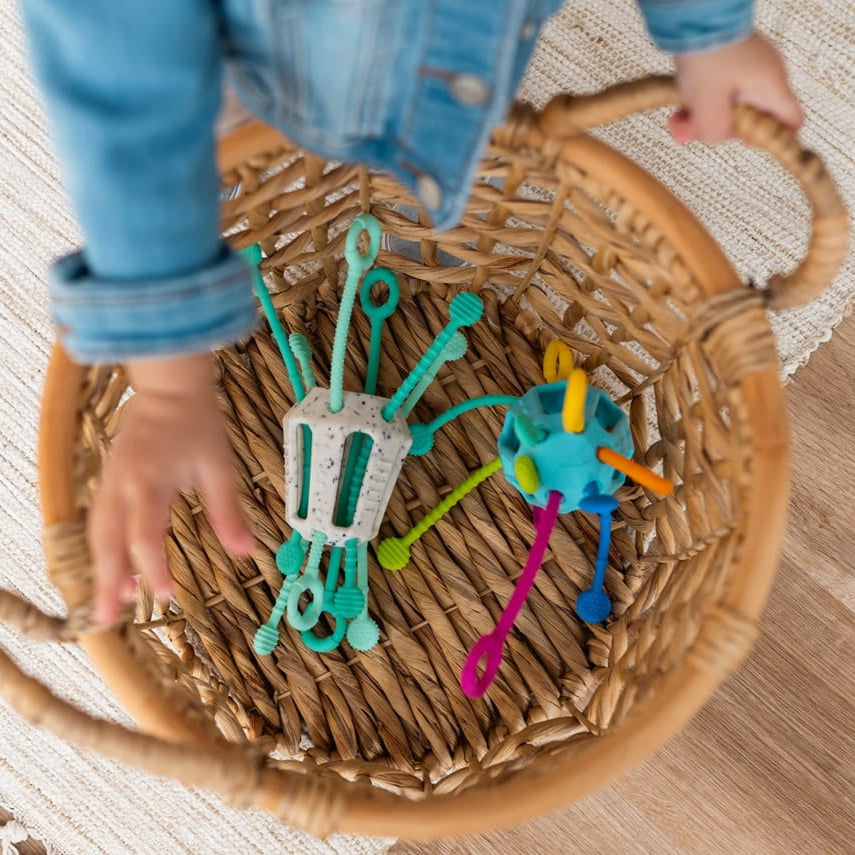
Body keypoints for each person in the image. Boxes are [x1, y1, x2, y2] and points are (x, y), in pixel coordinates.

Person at [20, 0, 803, 624]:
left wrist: (706, 30)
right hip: (254, 65)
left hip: (446, 46)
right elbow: (120, 69)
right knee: (201, 151)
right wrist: (167, 378)